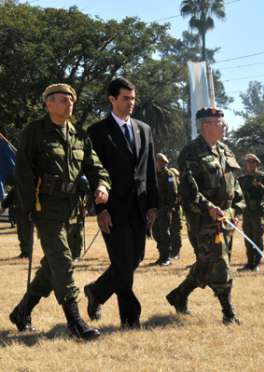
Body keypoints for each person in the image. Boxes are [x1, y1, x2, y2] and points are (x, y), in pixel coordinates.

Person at [9, 83, 110, 340]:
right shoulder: (34, 132)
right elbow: (23, 174)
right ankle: (75, 321)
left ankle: (22, 311)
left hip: (73, 207)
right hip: (47, 207)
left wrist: (101, 185)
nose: (69, 104)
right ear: (48, 103)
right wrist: (31, 209)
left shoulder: (79, 134)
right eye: (63, 100)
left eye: (71, 100)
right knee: (62, 261)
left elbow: (95, 165)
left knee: (58, 261)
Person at [84, 77, 158, 329]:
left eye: (133, 98)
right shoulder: (97, 132)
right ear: (112, 99)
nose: (131, 103)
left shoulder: (144, 129)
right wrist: (100, 209)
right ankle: (131, 319)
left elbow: (149, 171)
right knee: (124, 264)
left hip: (139, 207)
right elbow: (93, 173)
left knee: (135, 258)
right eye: (125, 98)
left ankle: (96, 291)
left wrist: (153, 204)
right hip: (113, 209)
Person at [166, 107, 245, 325]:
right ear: (205, 125)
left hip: (225, 218)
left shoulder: (225, 151)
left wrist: (236, 209)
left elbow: (235, 185)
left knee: (206, 262)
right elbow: (189, 190)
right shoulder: (191, 153)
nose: (224, 126)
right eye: (219, 122)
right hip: (204, 221)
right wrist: (209, 207)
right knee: (219, 264)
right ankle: (228, 313)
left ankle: (179, 295)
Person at [237, 153, 264, 271]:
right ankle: (249, 263)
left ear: (257, 164)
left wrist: (260, 186)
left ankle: (256, 263)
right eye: (248, 162)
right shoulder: (242, 179)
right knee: (248, 238)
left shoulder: (262, 177)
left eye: (252, 162)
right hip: (247, 212)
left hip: (258, 212)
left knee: (257, 238)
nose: (250, 164)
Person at [151, 153, 179, 266]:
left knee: (164, 233)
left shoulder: (169, 175)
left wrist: (168, 207)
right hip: (156, 209)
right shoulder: (155, 174)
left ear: (163, 162)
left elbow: (173, 193)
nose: (157, 163)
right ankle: (161, 255)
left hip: (165, 209)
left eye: (158, 161)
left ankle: (166, 257)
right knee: (156, 232)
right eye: (156, 161)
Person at [2, 185, 34, 258]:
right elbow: (10, 197)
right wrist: (4, 206)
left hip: (27, 212)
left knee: (26, 233)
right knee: (21, 233)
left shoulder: (30, 184)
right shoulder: (17, 186)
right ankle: (24, 252)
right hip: (19, 211)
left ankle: (27, 252)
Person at [168, 167, 183, 259]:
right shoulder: (173, 183)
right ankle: (172, 251)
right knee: (172, 231)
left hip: (177, 210)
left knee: (175, 231)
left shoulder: (179, 185)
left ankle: (176, 252)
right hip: (172, 209)